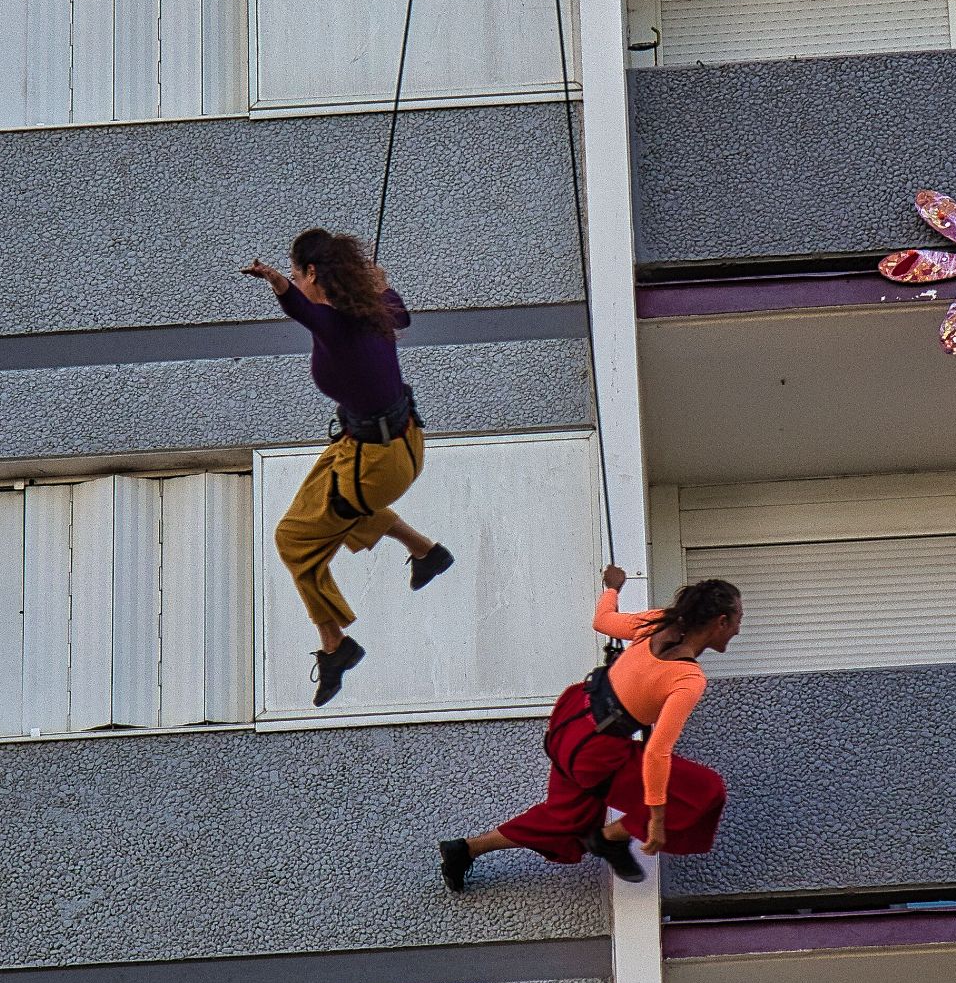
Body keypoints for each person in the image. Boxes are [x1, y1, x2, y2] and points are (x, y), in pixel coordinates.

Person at [244, 227, 453, 707]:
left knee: (293, 539)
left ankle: (335, 645)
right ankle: (425, 551)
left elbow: (301, 309)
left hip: (376, 463)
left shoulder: (337, 323)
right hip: (391, 444)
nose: (296, 280)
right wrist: (381, 285)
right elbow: (399, 311)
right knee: (334, 508)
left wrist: (277, 282)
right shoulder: (371, 310)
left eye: (297, 272)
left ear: (311, 273)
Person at [438, 564, 738, 890]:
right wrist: (655, 820)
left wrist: (612, 589)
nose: (738, 630)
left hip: (571, 718)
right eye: (738, 620)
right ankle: (609, 838)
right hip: (595, 752)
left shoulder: (657, 622)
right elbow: (656, 753)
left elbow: (603, 621)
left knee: (566, 819)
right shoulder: (687, 678)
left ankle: (465, 849)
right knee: (705, 791)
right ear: (721, 621)